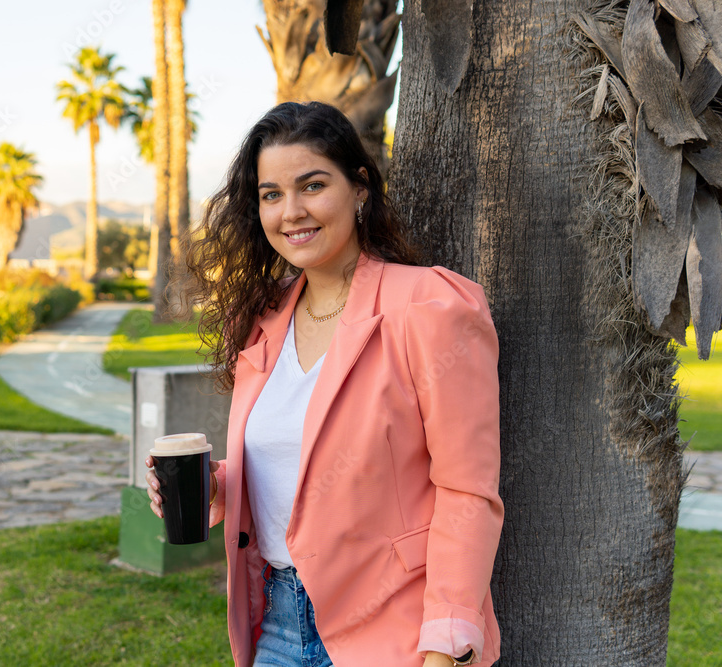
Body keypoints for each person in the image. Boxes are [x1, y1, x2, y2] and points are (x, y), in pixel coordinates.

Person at [145, 101, 503, 667]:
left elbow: (467, 492)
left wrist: (446, 644)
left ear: (360, 189)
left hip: (397, 633)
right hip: (279, 626)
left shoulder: (428, 305)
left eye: (312, 185)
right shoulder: (262, 319)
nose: (291, 212)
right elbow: (297, 467)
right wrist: (215, 491)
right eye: (271, 194)